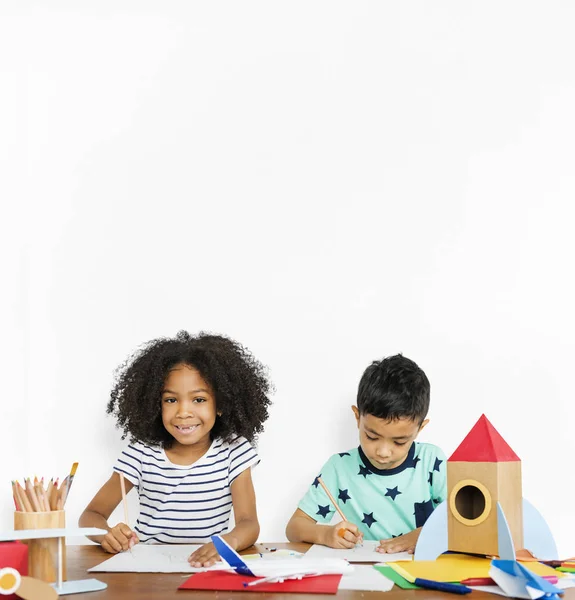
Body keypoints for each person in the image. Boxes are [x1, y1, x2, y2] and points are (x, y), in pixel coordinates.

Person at [79, 331, 272, 566]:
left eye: (199, 400)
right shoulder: (141, 453)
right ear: (154, 404)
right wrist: (106, 535)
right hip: (147, 566)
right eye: (171, 400)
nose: (183, 412)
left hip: (207, 566)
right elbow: (91, 516)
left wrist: (228, 541)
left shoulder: (233, 452)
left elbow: (248, 523)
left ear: (221, 404)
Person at [286, 354, 446, 554]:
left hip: (423, 571)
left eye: (399, 441)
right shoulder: (339, 468)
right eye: (371, 436)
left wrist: (425, 534)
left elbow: (466, 521)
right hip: (366, 572)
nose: (383, 452)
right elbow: (294, 527)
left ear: (420, 428)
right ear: (357, 418)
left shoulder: (432, 462)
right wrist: (326, 534)